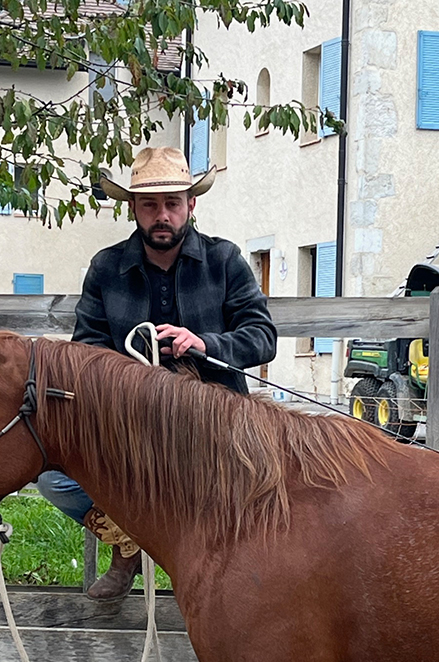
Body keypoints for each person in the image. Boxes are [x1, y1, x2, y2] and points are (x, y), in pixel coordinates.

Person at [37, 146, 277, 603]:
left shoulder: (225, 260)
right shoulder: (106, 267)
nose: (161, 215)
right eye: (149, 205)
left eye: (172, 203)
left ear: (191, 205)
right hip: (131, 425)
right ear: (132, 209)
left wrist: (205, 344)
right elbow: (85, 350)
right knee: (55, 478)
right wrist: (129, 377)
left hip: (216, 424)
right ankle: (130, 545)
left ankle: (208, 568)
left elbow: (262, 337)